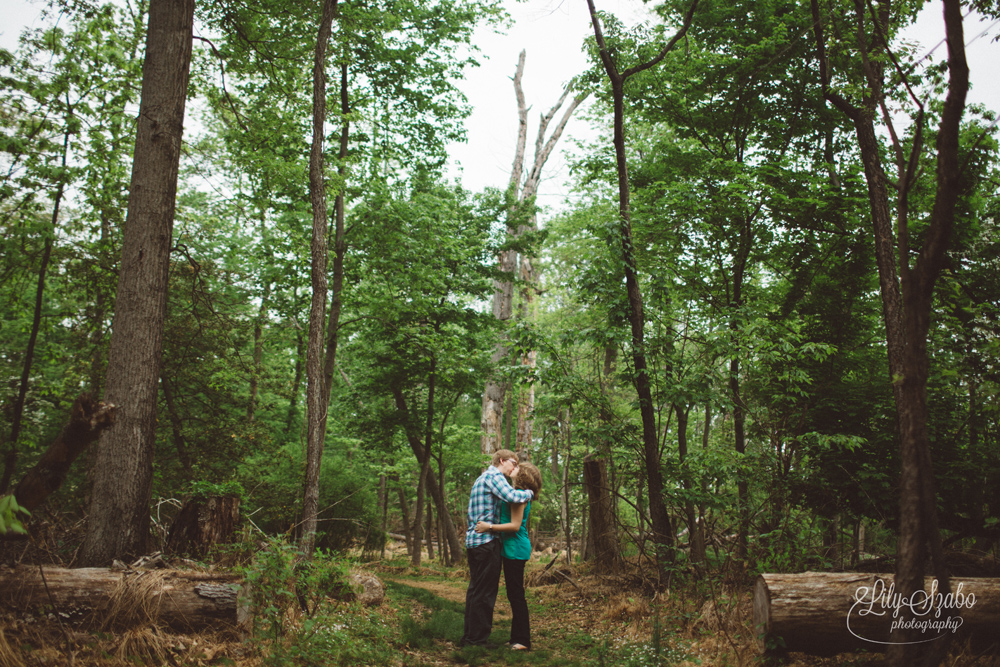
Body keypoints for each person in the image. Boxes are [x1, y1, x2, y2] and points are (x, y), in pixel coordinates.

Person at [460, 449, 534, 648]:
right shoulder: (494, 477)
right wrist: (531, 491)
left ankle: (469, 638)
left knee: (476, 590)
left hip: (476, 542)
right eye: (513, 463)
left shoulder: (483, 477)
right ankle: (476, 640)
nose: (514, 467)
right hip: (486, 542)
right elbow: (512, 496)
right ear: (502, 460)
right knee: (484, 593)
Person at [475, 461, 542, 651]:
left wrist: (489, 527)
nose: (514, 468)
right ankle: (517, 638)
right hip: (512, 547)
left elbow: (514, 525)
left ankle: (523, 640)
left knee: (516, 594)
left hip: (516, 548)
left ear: (524, 476)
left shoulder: (518, 498)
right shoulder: (515, 494)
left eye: (518, 468)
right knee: (514, 593)